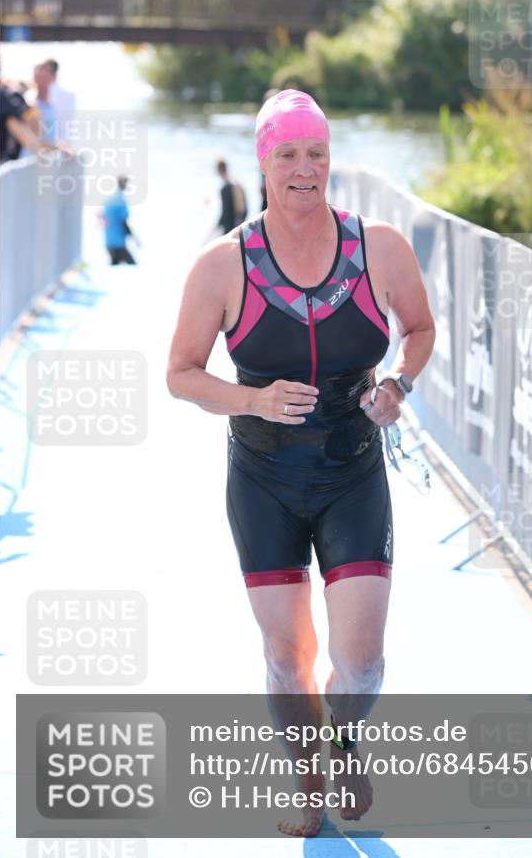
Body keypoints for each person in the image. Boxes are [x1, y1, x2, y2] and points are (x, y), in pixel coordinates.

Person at [167, 90, 435, 837]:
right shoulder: (221, 266)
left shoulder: (376, 246)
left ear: (329, 160)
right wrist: (250, 402)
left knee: (361, 661)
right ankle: (305, 780)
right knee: (288, 658)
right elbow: (181, 373)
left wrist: (397, 383)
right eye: (286, 153)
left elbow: (417, 326)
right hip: (263, 481)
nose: (303, 168)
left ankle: (344, 745)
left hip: (352, 471)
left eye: (315, 152)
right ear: (263, 162)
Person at [101, 175, 139, 265]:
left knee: (115, 265)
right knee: (132, 265)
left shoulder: (110, 199)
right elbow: (123, 221)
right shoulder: (120, 200)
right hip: (117, 242)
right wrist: (133, 237)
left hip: (109, 240)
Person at [216, 158, 247, 234]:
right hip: (235, 226)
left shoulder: (228, 188)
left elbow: (237, 210)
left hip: (231, 227)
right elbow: (242, 210)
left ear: (219, 170)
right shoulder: (236, 185)